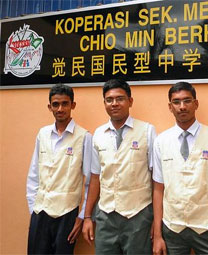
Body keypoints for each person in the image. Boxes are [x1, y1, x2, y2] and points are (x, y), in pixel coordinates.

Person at [153, 82, 208, 255]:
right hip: (173, 228)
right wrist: (157, 235)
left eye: (187, 101)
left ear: (196, 104)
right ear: (170, 107)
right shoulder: (161, 141)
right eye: (176, 102)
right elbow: (158, 188)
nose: (182, 106)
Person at [82, 79, 156, 254]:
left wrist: (156, 220)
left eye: (120, 99)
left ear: (130, 101)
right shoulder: (99, 134)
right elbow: (94, 177)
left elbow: (157, 178)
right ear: (104, 103)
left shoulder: (147, 131)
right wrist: (87, 216)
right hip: (105, 216)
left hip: (138, 215)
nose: (114, 104)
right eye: (109, 100)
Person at [26, 84, 92, 254]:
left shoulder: (84, 137)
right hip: (40, 211)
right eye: (56, 104)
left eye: (65, 103)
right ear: (50, 107)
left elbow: (90, 182)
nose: (60, 108)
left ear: (73, 105)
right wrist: (33, 208)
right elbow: (34, 173)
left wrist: (82, 216)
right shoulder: (43, 134)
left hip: (67, 213)